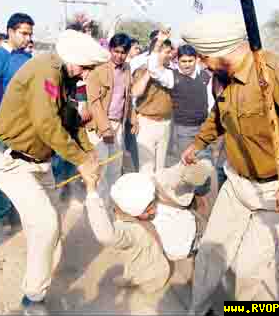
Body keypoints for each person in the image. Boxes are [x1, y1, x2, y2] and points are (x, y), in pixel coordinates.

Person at [179, 13, 279, 311]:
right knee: (209, 257)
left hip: (276, 192)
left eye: (204, 57)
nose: (202, 64)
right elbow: (220, 113)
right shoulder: (223, 77)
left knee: (250, 274)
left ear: (222, 51)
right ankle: (198, 310)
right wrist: (199, 142)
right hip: (237, 184)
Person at [0, 29, 108, 315]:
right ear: (72, 59)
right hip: (12, 162)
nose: (85, 76)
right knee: (45, 225)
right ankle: (33, 299)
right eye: (85, 68)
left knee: (52, 224)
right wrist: (81, 160)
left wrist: (90, 154)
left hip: (40, 163)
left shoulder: (64, 76)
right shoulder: (45, 71)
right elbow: (46, 124)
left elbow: (70, 120)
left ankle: (41, 278)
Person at [85, 158, 214, 293]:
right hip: (172, 252)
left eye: (152, 204)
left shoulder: (156, 183)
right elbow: (106, 236)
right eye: (146, 211)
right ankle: (134, 277)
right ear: (131, 213)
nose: (153, 211)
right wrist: (91, 190)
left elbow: (185, 170)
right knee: (136, 256)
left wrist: (192, 167)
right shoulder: (131, 227)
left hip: (199, 231)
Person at [0, 13, 35, 232]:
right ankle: (1, 216)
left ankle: (16, 212)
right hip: (0, 126)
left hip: (22, 128)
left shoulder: (26, 59)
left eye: (30, 34)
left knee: (20, 170)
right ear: (10, 32)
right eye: (23, 33)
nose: (28, 38)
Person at [85, 33, 134, 209]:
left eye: (123, 52)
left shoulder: (127, 69)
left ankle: (110, 206)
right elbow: (94, 102)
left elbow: (128, 97)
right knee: (100, 169)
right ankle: (95, 208)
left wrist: (132, 119)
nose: (119, 56)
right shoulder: (98, 70)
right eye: (116, 51)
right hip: (100, 126)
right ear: (110, 49)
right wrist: (105, 129)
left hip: (118, 124)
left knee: (115, 167)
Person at [146, 41, 214, 164]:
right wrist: (158, 44)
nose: (187, 65)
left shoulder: (206, 76)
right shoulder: (172, 76)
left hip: (204, 129)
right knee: (187, 166)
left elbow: (211, 103)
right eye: (183, 61)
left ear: (196, 60)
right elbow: (153, 69)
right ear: (177, 61)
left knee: (205, 165)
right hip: (183, 130)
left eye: (190, 61)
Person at [131, 36, 173, 174]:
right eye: (166, 52)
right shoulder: (141, 70)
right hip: (147, 123)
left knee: (160, 169)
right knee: (146, 168)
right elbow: (135, 92)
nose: (170, 55)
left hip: (166, 123)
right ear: (157, 53)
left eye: (170, 51)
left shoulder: (171, 72)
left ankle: (157, 195)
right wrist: (149, 73)